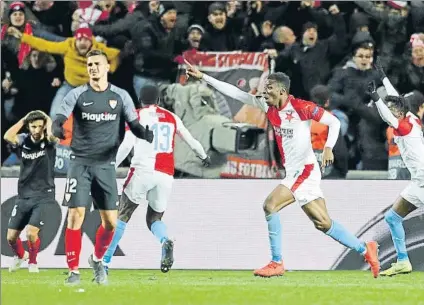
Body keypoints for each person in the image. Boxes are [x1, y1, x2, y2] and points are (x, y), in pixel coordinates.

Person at [185, 61, 380, 278]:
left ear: (282, 90)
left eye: (268, 88)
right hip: (298, 171)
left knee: (270, 205)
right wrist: (204, 77)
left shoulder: (301, 108)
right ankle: (365, 248)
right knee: (323, 223)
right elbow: (236, 93)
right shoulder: (267, 106)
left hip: (303, 170)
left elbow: (333, 122)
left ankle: (276, 262)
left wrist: (327, 148)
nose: (264, 92)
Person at [52, 49, 154, 285]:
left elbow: (134, 124)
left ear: (107, 67)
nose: (93, 68)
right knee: (75, 215)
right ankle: (73, 272)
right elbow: (60, 117)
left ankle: (97, 259)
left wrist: (144, 133)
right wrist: (57, 127)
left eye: (97, 64)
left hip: (106, 166)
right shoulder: (77, 94)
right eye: (89, 65)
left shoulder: (121, 96)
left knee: (110, 222)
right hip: (80, 162)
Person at [102, 85, 210, 274]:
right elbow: (191, 140)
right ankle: (165, 239)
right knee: (154, 218)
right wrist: (203, 156)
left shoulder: (137, 115)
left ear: (140, 101)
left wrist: (110, 166)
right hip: (166, 174)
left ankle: (105, 262)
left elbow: (127, 145)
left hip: (142, 170)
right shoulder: (172, 117)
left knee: (123, 214)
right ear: (159, 101)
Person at [368, 59, 424, 276]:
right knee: (392, 218)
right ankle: (403, 261)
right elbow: (397, 99)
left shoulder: (404, 125)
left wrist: (376, 98)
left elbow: (388, 114)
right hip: (418, 181)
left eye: (393, 109)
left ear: (399, 112)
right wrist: (383, 76)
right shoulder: (410, 117)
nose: (390, 112)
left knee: (393, 218)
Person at [3, 110, 58, 273]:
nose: (36, 130)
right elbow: (7, 136)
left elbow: (54, 133)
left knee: (31, 233)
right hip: (23, 195)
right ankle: (21, 256)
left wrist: (45, 117)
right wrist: (24, 119)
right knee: (11, 237)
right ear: (28, 127)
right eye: (33, 126)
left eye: (40, 127)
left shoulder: (49, 141)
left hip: (44, 195)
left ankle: (33, 263)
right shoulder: (23, 140)